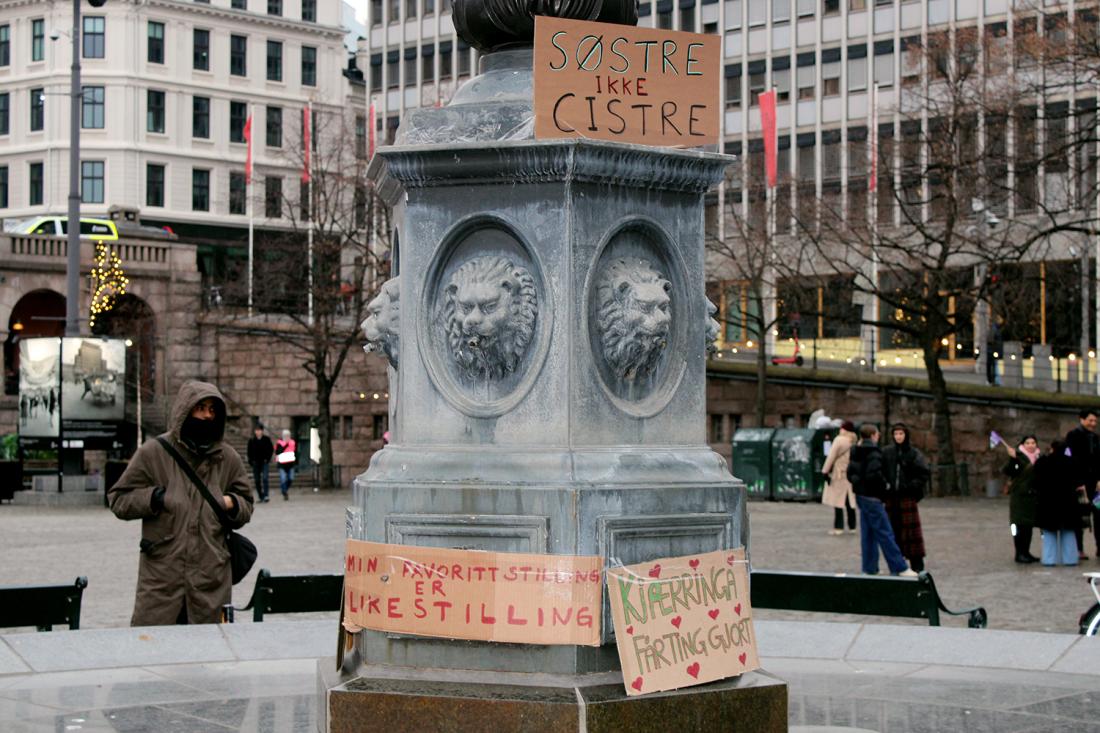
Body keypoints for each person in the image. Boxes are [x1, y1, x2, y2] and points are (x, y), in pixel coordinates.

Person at [107, 381, 253, 625]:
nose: (207, 416)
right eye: (201, 408)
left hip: (210, 578)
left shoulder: (226, 458)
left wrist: (230, 503)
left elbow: (247, 503)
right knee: (156, 644)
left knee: (210, 645)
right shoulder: (154, 453)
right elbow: (118, 498)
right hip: (163, 578)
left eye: (212, 410)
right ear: (185, 410)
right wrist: (155, 498)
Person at [847, 423, 918, 577]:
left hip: (861, 495)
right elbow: (874, 475)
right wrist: (885, 486)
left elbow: (850, 474)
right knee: (885, 532)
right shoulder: (874, 452)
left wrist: (858, 484)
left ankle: (869, 567)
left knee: (868, 534)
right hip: (873, 497)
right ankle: (899, 567)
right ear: (873, 435)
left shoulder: (855, 451)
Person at [881, 423, 931, 572]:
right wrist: (886, 486)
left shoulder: (913, 453)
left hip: (907, 497)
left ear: (906, 435)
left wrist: (911, 486)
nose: (898, 437)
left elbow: (923, 473)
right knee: (893, 531)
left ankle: (917, 565)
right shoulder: (887, 452)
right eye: (896, 434)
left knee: (911, 534)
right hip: (891, 498)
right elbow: (881, 471)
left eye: (901, 434)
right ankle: (897, 565)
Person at [1034, 440, 1080, 566]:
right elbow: (1078, 480)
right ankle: (1070, 559)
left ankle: (1049, 559)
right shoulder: (1072, 462)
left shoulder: (1043, 462)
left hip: (1048, 503)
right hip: (1068, 503)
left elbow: (1036, 481)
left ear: (1052, 448)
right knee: (1068, 532)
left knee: (1049, 533)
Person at [1065, 408, 1100, 561]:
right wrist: (1078, 481)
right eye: (1090, 420)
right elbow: (1071, 460)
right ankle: (1078, 548)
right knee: (1080, 517)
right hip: (1080, 485)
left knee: (1099, 515)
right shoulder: (1073, 436)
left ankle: (1099, 547)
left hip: (1096, 486)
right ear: (1082, 419)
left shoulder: (1096, 437)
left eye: (1095, 421)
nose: (1093, 423)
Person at [1002, 435, 1041, 564]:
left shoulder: (1038, 458)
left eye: (1033, 442)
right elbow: (1008, 471)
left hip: (1032, 498)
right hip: (1019, 498)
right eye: (1027, 443)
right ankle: (1019, 553)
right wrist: (1013, 458)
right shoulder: (1018, 457)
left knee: (1028, 527)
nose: (1031, 445)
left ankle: (1026, 552)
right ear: (1023, 445)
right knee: (1019, 527)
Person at [821, 420, 857, 536]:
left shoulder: (839, 440)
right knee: (849, 501)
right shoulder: (854, 440)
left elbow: (831, 457)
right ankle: (852, 526)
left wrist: (825, 471)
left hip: (838, 474)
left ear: (844, 429)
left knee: (838, 501)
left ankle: (838, 527)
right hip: (850, 473)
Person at [247, 423, 274, 503]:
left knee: (265, 478)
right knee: (257, 480)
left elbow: (271, 449)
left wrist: (268, 459)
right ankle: (260, 496)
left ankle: (266, 495)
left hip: (264, 462)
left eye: (259, 430)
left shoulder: (266, 439)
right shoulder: (252, 440)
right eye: (256, 430)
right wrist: (251, 461)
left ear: (262, 431)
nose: (258, 432)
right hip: (256, 462)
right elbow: (249, 452)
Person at [275, 429, 297, 500]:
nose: (287, 437)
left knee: (291, 478)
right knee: (283, 478)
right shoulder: (279, 442)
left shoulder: (292, 442)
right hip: (282, 464)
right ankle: (284, 492)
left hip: (290, 464)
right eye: (285, 435)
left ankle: (284, 490)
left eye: (288, 435)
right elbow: (277, 452)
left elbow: (295, 452)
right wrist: (285, 444)